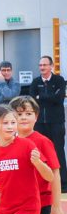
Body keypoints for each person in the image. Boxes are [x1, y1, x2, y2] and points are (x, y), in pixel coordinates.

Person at [29, 55, 66, 191]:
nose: (42, 68)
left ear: (51, 66)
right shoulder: (35, 82)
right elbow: (33, 100)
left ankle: (63, 183)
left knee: (58, 151)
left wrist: (41, 97)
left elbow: (59, 99)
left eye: (45, 65)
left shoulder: (59, 80)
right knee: (39, 153)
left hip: (56, 122)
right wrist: (49, 96)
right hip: (39, 124)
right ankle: (40, 182)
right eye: (40, 65)